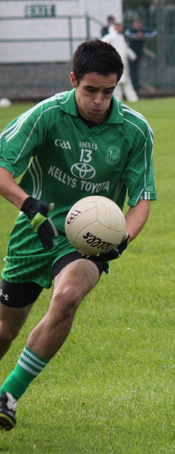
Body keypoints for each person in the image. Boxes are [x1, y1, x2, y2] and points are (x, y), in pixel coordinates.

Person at [0, 38, 156, 431]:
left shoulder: (135, 131)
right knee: (4, 330)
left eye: (108, 92)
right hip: (34, 231)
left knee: (68, 296)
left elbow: (141, 199)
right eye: (90, 90)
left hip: (89, 239)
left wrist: (123, 238)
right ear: (73, 80)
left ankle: (8, 396)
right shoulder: (46, 115)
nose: (99, 101)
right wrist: (28, 205)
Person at [102, 22, 139, 102]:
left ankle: (133, 98)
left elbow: (125, 48)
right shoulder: (110, 37)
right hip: (115, 63)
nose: (120, 28)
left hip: (124, 63)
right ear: (115, 27)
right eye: (118, 26)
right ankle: (117, 99)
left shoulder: (120, 37)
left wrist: (132, 55)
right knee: (117, 81)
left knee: (126, 81)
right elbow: (101, 44)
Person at [125, 18, 158, 91]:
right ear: (134, 24)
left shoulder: (144, 30)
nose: (138, 26)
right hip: (131, 52)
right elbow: (127, 34)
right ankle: (132, 84)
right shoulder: (131, 30)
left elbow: (154, 33)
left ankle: (136, 85)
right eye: (137, 24)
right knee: (131, 69)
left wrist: (143, 35)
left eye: (139, 25)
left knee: (137, 69)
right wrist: (137, 35)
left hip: (139, 52)